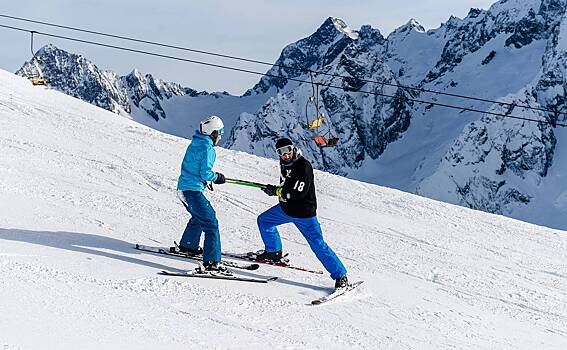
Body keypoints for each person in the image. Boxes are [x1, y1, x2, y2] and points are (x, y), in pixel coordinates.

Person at [257, 137, 349, 288]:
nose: (285, 155)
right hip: (286, 209)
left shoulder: (303, 166)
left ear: (293, 149)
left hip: (304, 214)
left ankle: (340, 276)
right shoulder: (285, 163)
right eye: (281, 152)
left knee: (317, 244)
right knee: (264, 221)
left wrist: (277, 191)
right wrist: (276, 189)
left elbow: (297, 193)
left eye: (287, 150)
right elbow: (287, 185)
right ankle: (273, 252)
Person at [175, 115, 227, 272]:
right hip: (192, 191)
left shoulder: (195, 144)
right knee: (211, 224)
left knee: (199, 217)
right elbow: (205, 173)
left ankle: (188, 246)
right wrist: (216, 177)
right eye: (220, 132)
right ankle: (212, 262)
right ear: (213, 133)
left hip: (183, 189)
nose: (221, 136)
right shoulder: (208, 149)